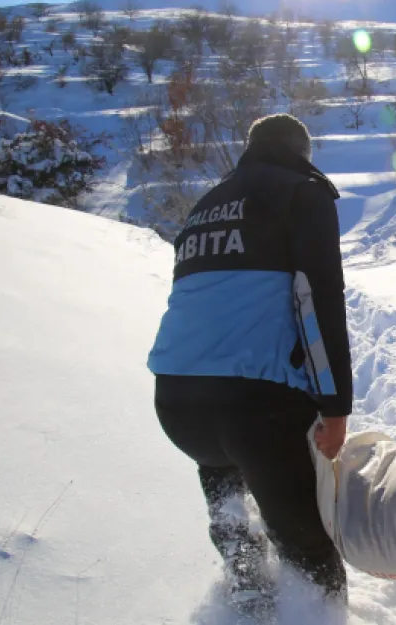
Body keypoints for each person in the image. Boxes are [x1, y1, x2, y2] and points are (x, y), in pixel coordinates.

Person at [147, 114, 353, 609]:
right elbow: (317, 297)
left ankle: (245, 598)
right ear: (301, 153)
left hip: (177, 402)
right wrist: (335, 406)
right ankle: (316, 612)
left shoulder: (206, 205)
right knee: (308, 553)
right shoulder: (302, 192)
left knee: (236, 522)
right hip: (255, 408)